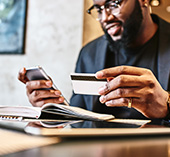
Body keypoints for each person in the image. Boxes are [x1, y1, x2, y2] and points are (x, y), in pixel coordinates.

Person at [18, 0, 170, 120]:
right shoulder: (88, 53)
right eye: (99, 9)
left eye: (114, 4)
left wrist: (166, 104)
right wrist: (54, 111)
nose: (105, 18)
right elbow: (79, 122)